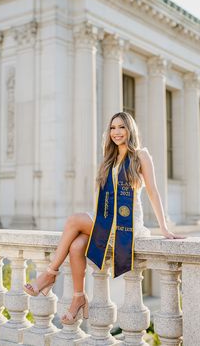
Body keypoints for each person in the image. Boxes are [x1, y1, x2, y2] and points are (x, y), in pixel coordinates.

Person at [23, 112, 186, 324]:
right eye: (112, 128)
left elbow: (153, 192)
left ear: (130, 130)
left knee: (74, 220)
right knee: (75, 246)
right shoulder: (110, 159)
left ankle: (49, 274)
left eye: (121, 127)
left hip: (127, 226)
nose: (116, 132)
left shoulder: (141, 155)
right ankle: (78, 298)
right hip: (107, 222)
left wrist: (164, 228)